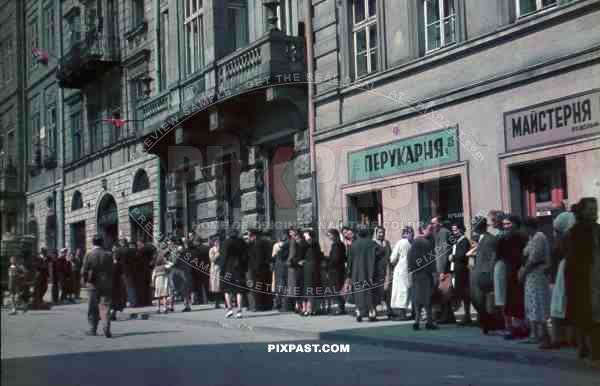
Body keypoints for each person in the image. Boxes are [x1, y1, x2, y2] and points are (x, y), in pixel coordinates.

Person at [565, 197, 600, 367]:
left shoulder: (597, 229)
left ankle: (587, 349)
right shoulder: (576, 232)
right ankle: (591, 352)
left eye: (596, 208)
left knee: (593, 315)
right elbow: (572, 260)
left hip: (595, 276)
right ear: (582, 211)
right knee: (589, 315)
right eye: (590, 209)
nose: (594, 212)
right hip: (584, 279)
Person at [520, 217, 551, 346]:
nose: (523, 230)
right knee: (532, 303)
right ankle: (534, 333)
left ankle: (542, 334)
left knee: (538, 303)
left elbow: (533, 259)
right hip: (531, 276)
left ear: (529, 226)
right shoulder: (531, 238)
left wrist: (523, 272)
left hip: (537, 274)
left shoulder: (539, 237)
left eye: (524, 227)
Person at [497, 215, 529, 340]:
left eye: (508, 224)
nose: (506, 227)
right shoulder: (504, 238)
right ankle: (516, 327)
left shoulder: (521, 237)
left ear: (515, 224)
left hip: (520, 271)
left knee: (519, 300)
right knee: (511, 300)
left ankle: (523, 327)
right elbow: (500, 254)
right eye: (504, 224)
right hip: (509, 271)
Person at [548, 210, 576, 349]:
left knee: (559, 304)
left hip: (564, 271)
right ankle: (570, 338)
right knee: (569, 304)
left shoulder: (566, 237)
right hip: (571, 271)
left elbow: (556, 253)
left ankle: (558, 338)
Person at [470, 216, 502, 334]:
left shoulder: (490, 239)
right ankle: (487, 324)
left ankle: (493, 325)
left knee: (487, 303)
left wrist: (490, 274)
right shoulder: (482, 238)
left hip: (486, 275)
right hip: (480, 274)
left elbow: (492, 258)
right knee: (479, 302)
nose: (473, 227)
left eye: (474, 225)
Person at [82, 235, 114, 338]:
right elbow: (112, 270)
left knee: (93, 307)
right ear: (102, 242)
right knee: (105, 306)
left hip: (93, 284)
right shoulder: (108, 254)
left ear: (93, 242)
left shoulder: (89, 254)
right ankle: (106, 327)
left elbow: (84, 270)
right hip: (106, 283)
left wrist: (85, 281)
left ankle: (93, 329)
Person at [408, 226, 437, 330]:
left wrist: (411, 272)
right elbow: (431, 260)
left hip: (416, 274)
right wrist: (434, 274)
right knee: (427, 299)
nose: (431, 232)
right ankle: (429, 322)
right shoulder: (427, 243)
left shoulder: (414, 243)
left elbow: (410, 258)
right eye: (429, 230)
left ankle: (416, 321)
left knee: (417, 299)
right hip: (426, 274)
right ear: (423, 230)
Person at [349, 226, 380, 322]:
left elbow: (350, 260)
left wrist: (349, 273)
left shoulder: (354, 245)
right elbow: (380, 254)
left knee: (359, 293)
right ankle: (372, 313)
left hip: (357, 273)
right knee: (370, 293)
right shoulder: (372, 243)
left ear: (358, 233)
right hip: (370, 272)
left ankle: (359, 312)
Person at [431, 216, 455, 324]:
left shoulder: (443, 233)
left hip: (444, 269)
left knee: (445, 293)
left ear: (440, 223)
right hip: (441, 268)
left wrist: (441, 271)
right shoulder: (438, 233)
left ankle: (447, 317)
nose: (432, 226)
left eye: (434, 223)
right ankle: (447, 316)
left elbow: (444, 253)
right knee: (443, 294)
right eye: (431, 223)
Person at [221, 229, 248, 319]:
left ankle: (229, 309)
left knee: (227, 289)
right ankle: (239, 310)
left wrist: (222, 269)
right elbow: (246, 256)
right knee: (239, 290)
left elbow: (223, 257)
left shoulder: (225, 243)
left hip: (228, 269)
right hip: (239, 269)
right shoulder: (241, 242)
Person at [449, 223, 471, 325]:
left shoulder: (464, 240)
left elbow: (463, 255)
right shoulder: (456, 241)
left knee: (464, 293)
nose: (454, 232)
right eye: (453, 230)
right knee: (460, 293)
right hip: (456, 269)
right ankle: (465, 315)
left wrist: (453, 257)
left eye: (456, 230)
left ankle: (467, 315)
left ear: (461, 230)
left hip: (462, 270)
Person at [390, 226, 413, 320]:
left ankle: (402, 314)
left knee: (400, 291)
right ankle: (411, 312)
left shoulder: (400, 242)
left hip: (400, 269)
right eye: (411, 233)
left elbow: (392, 258)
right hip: (409, 270)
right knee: (407, 290)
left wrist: (393, 263)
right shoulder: (412, 243)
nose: (412, 234)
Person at [300, 229, 321, 316]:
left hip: (312, 268)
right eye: (304, 236)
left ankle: (311, 308)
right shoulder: (305, 244)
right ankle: (309, 308)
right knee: (308, 288)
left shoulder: (314, 244)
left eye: (306, 235)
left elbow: (317, 254)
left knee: (311, 288)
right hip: (307, 268)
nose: (305, 237)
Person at [373, 226, 393, 319]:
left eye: (383, 232)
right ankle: (374, 310)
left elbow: (391, 254)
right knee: (377, 290)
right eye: (379, 232)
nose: (381, 234)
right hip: (377, 270)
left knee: (388, 289)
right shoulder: (373, 243)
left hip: (387, 268)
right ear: (376, 233)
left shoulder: (387, 243)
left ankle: (389, 309)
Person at [325, 229, 346, 315]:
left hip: (335, 271)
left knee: (336, 289)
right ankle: (341, 307)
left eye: (330, 235)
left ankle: (341, 308)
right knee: (337, 288)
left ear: (335, 235)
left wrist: (328, 264)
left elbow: (335, 259)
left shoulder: (336, 245)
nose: (329, 237)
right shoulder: (340, 244)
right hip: (339, 270)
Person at [286, 227, 306, 313]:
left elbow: (296, 255)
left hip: (297, 267)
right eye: (293, 235)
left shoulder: (301, 243)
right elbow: (291, 255)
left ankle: (300, 306)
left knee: (298, 287)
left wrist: (295, 262)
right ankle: (297, 306)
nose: (294, 236)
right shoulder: (293, 242)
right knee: (295, 288)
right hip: (293, 267)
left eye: (295, 234)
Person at [110, 241, 128, 320]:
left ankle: (112, 313)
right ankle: (113, 313)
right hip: (117, 283)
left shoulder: (115, 264)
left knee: (113, 299)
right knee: (116, 299)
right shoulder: (119, 264)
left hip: (113, 283)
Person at [272, 232, 289, 311]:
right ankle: (283, 304)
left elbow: (273, 256)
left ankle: (280, 304)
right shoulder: (287, 245)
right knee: (283, 286)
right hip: (283, 268)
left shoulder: (277, 246)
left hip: (279, 268)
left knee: (280, 286)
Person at [209, 235, 223, 309]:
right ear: (214, 242)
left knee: (220, 286)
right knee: (215, 287)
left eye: (218, 241)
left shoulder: (222, 249)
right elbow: (212, 259)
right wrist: (217, 253)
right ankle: (216, 303)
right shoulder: (212, 249)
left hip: (220, 269)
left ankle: (221, 301)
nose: (218, 243)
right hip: (214, 270)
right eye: (216, 241)